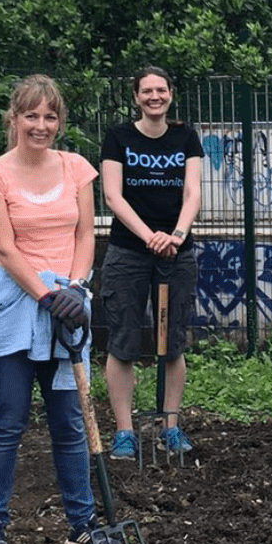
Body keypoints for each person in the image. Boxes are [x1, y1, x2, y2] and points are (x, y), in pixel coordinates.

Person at [0, 74, 107, 544]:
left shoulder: (77, 169)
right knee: (8, 419)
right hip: (15, 304)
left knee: (70, 421)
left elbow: (86, 236)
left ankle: (82, 522)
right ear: (14, 118)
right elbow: (4, 249)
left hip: (69, 303)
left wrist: (74, 289)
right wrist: (46, 297)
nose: (41, 125)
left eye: (50, 116)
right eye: (31, 115)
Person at [99, 66, 204, 459]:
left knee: (172, 342)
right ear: (136, 97)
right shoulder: (119, 137)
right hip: (128, 252)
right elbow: (113, 196)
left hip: (177, 252)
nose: (154, 97)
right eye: (147, 91)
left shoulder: (185, 136)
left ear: (171, 94)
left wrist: (174, 236)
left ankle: (170, 427)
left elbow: (192, 191)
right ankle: (125, 431)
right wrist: (149, 237)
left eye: (161, 90)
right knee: (123, 342)